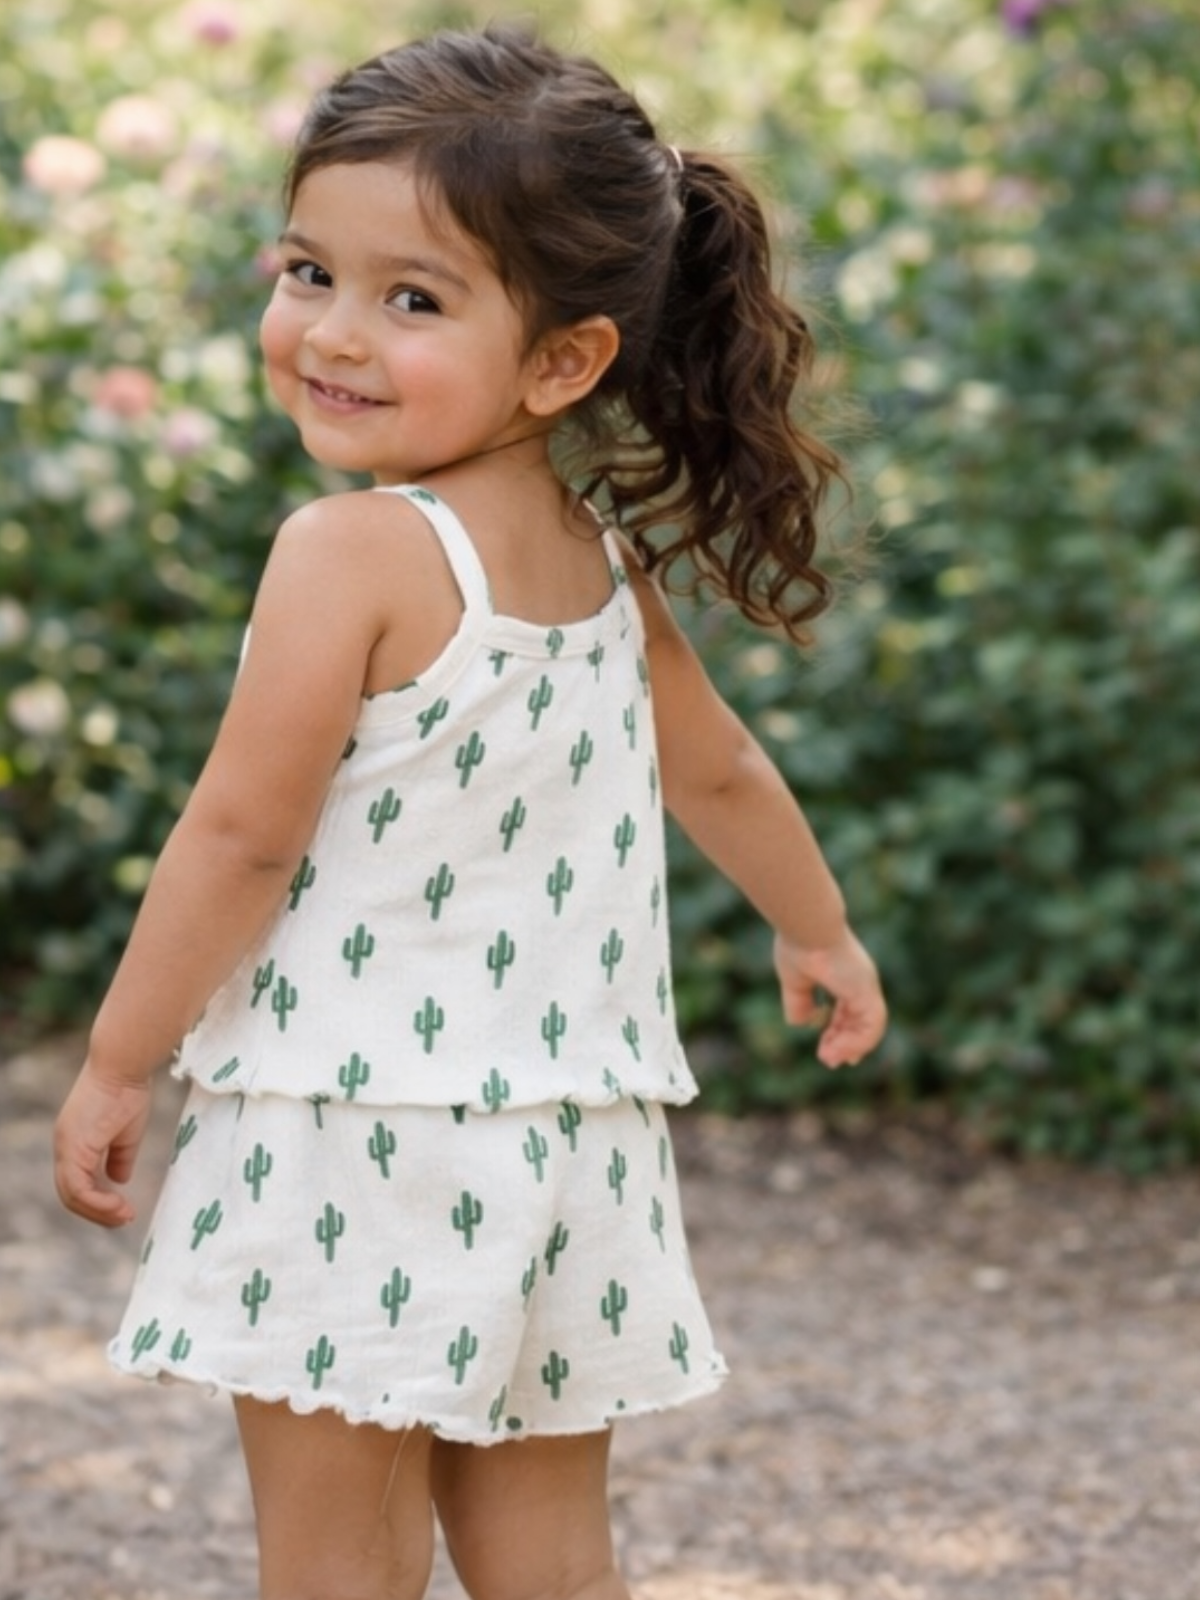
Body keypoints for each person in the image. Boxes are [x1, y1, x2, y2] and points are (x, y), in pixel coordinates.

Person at [54, 23, 886, 1600]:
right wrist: (819, 929)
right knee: (554, 1572)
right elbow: (716, 770)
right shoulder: (598, 560)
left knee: (337, 1569)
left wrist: (117, 1057)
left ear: (565, 358)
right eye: (308, 272)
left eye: (411, 299)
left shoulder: (350, 553)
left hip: (350, 1132)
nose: (333, 334)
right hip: (571, 1147)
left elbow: (241, 838)